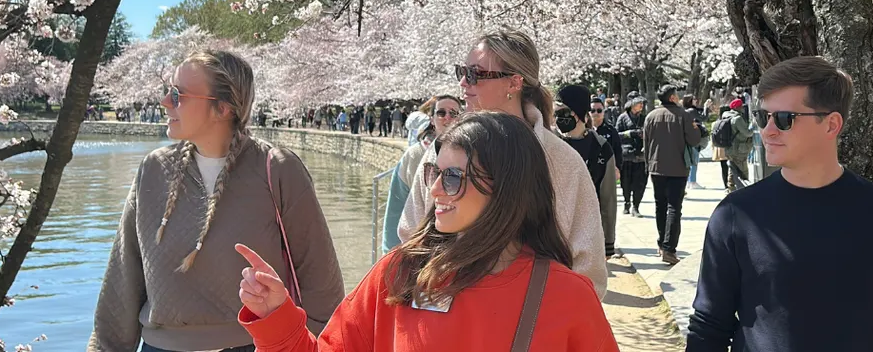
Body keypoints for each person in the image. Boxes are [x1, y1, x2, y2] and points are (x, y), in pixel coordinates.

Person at [235, 112, 619, 352]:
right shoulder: (399, 274)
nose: (434, 190)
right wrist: (277, 318)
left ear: (507, 188)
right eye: (435, 172)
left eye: (452, 177)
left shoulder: (567, 296)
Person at [88, 50, 345, 352]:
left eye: (178, 94)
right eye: (167, 92)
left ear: (222, 108)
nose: (165, 102)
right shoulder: (154, 170)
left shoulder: (277, 169)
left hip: (257, 346)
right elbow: (123, 274)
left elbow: (321, 283)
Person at [686, 56, 873, 352]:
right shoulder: (734, 215)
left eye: (783, 119)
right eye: (762, 117)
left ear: (831, 124)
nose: (768, 131)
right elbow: (708, 327)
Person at [396, 30, 608, 299]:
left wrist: (553, 326)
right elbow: (411, 235)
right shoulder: (441, 152)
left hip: (534, 325)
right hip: (446, 315)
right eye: (461, 71)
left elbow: (588, 269)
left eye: (474, 74)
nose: (463, 82)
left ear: (514, 83)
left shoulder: (561, 162)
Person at [381, 95, 462, 254]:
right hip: (419, 244)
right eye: (441, 113)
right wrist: (389, 253)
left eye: (453, 113)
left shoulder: (467, 154)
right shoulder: (415, 155)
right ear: (432, 119)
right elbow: (396, 207)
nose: (447, 118)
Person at [556, 85, 620, 259]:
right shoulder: (551, 143)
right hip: (553, 235)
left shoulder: (601, 148)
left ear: (577, 113)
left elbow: (608, 199)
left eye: (563, 113)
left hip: (587, 233)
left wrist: (608, 243)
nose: (558, 118)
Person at [643, 84, 701, 266]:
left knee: (660, 205)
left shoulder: (651, 116)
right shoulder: (683, 115)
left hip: (655, 166)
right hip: (677, 167)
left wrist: (648, 165)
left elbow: (646, 141)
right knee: (674, 207)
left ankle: (661, 243)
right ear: (672, 97)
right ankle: (669, 248)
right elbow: (694, 139)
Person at [711, 99, 754, 192]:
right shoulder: (737, 119)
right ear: (738, 108)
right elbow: (747, 133)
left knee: (733, 168)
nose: (743, 108)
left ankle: (730, 188)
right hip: (739, 149)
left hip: (729, 148)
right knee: (743, 171)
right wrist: (753, 126)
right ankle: (744, 191)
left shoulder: (726, 116)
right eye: (741, 106)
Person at [616, 96, 648, 217]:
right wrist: (630, 133)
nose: (641, 106)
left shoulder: (644, 118)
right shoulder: (622, 118)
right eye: (638, 103)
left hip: (641, 156)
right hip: (627, 155)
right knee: (626, 182)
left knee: (640, 183)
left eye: (642, 104)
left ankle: (636, 206)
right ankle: (627, 202)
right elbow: (617, 134)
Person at [682, 95, 709, 190]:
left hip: (688, 137)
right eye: (694, 99)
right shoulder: (691, 111)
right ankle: (692, 181)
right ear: (689, 101)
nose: (696, 100)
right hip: (694, 138)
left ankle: (690, 181)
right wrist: (706, 107)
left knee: (692, 159)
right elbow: (704, 118)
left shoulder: (686, 111)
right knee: (694, 159)